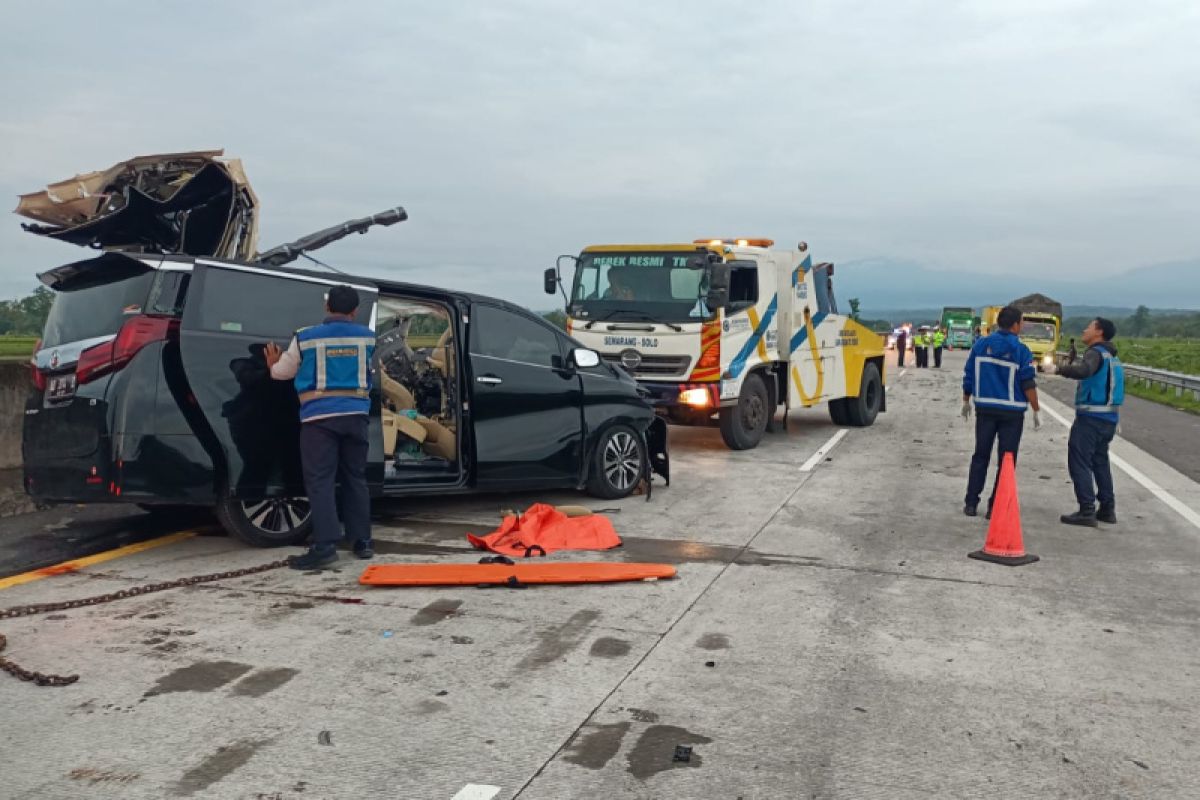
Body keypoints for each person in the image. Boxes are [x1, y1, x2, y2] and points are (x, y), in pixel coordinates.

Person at [265, 285, 376, 570]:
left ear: (327, 308)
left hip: (319, 419)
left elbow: (282, 374)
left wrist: (272, 364)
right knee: (355, 478)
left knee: (321, 480)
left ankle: (325, 546)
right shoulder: (368, 338)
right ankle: (362, 542)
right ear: (354, 311)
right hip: (356, 417)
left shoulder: (306, 337)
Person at [961, 305, 1041, 518]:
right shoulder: (1021, 351)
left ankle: (971, 502)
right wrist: (1036, 409)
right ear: (1016, 325)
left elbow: (969, 374)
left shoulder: (981, 345)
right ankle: (994, 506)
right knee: (1006, 460)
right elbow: (1027, 382)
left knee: (980, 456)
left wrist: (966, 399)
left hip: (985, 409)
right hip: (1012, 413)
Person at [1056, 318, 1124, 527]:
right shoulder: (1112, 356)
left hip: (1091, 419)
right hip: (1109, 419)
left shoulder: (1095, 353)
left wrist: (1061, 369)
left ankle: (1087, 510)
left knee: (1079, 461)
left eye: (1089, 327)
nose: (1085, 330)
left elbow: (1085, 371)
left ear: (1099, 332)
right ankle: (1107, 509)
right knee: (1100, 462)